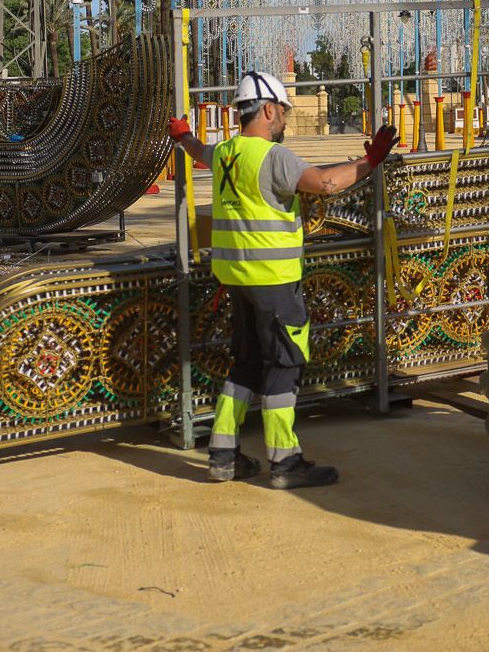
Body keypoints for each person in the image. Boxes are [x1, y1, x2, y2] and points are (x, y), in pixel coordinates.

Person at [169, 70, 398, 489]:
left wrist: (181, 134)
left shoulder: (225, 154)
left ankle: (222, 456)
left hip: (236, 278)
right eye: (284, 114)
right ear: (269, 110)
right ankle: (284, 461)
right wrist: (371, 161)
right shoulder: (274, 158)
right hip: (274, 282)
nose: (286, 122)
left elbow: (197, 150)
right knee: (283, 365)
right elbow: (326, 183)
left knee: (246, 363)